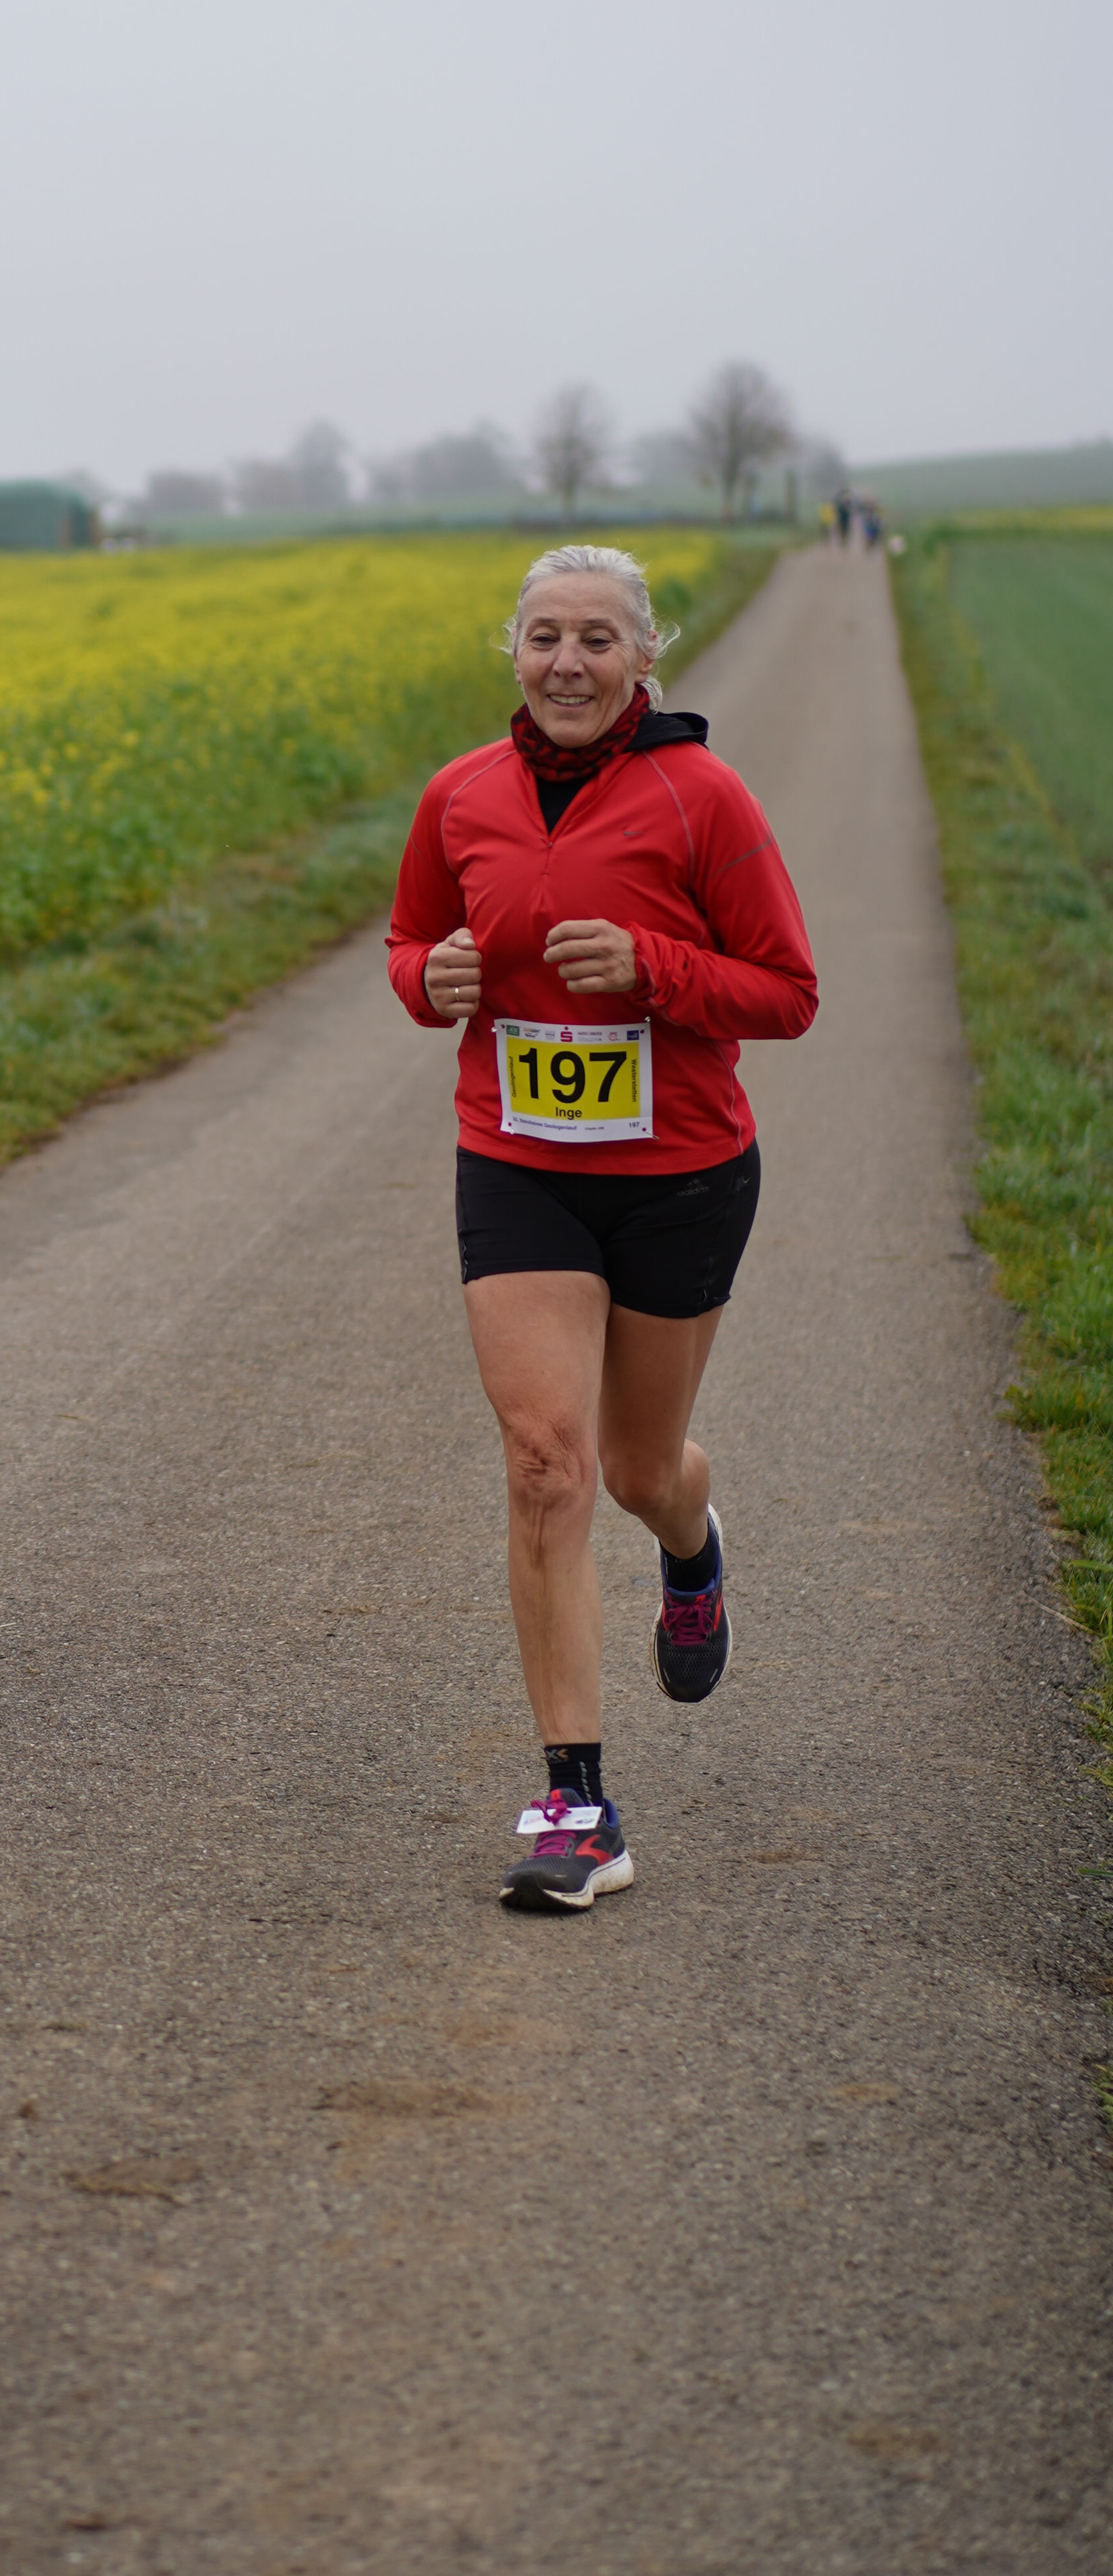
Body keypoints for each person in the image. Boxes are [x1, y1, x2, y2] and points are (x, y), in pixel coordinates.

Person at [386, 545, 817, 1911]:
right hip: (518, 1162)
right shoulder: (460, 795)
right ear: (512, 650)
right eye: (544, 638)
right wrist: (434, 978)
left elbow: (788, 991)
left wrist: (655, 969)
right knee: (546, 1465)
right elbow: (408, 948)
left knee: (636, 1471)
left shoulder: (705, 797)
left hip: (681, 1170)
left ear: (644, 656)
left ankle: (691, 1545)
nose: (567, 664)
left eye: (596, 639)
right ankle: (576, 1806)